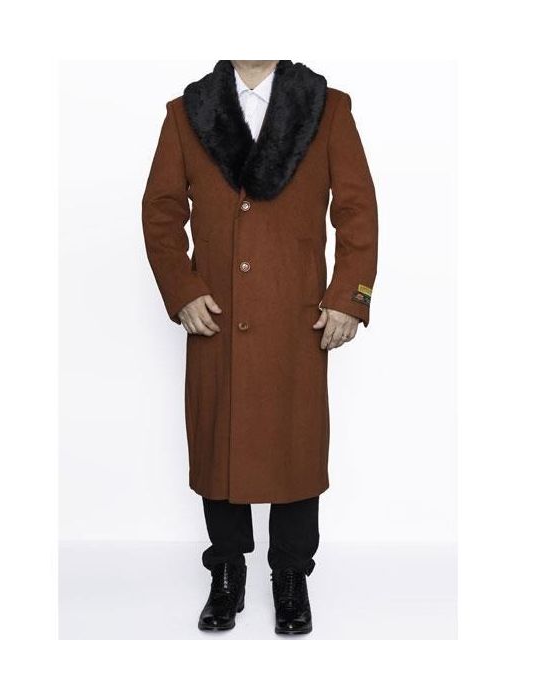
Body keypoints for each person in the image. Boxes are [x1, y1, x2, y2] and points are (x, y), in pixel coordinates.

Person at [142, 59, 378, 635]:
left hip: (294, 317)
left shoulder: (327, 108)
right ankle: (226, 572)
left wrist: (350, 297)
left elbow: (357, 210)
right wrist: (181, 290)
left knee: (296, 443)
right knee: (216, 439)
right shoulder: (187, 113)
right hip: (215, 316)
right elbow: (161, 212)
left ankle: (291, 574)